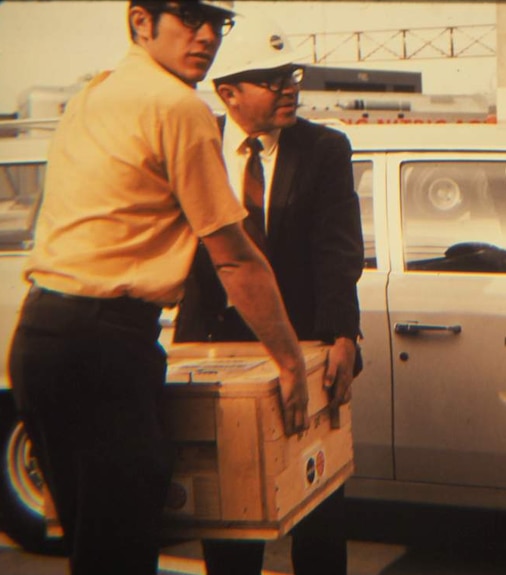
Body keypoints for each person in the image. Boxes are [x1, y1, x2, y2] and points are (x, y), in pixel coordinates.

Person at [8, 2, 311, 574]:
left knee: (92, 551)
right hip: (104, 347)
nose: (205, 36)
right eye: (187, 18)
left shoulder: (94, 96)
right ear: (141, 22)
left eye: (215, 23)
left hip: (41, 339)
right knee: (119, 553)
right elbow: (235, 261)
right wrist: (291, 364)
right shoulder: (176, 106)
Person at [173, 18, 364, 575]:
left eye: (291, 74)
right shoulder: (196, 143)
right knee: (230, 520)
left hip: (308, 352)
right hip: (216, 356)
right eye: (270, 78)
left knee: (319, 510)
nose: (289, 87)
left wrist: (341, 335)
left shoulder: (325, 148)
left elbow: (339, 250)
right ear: (226, 91)